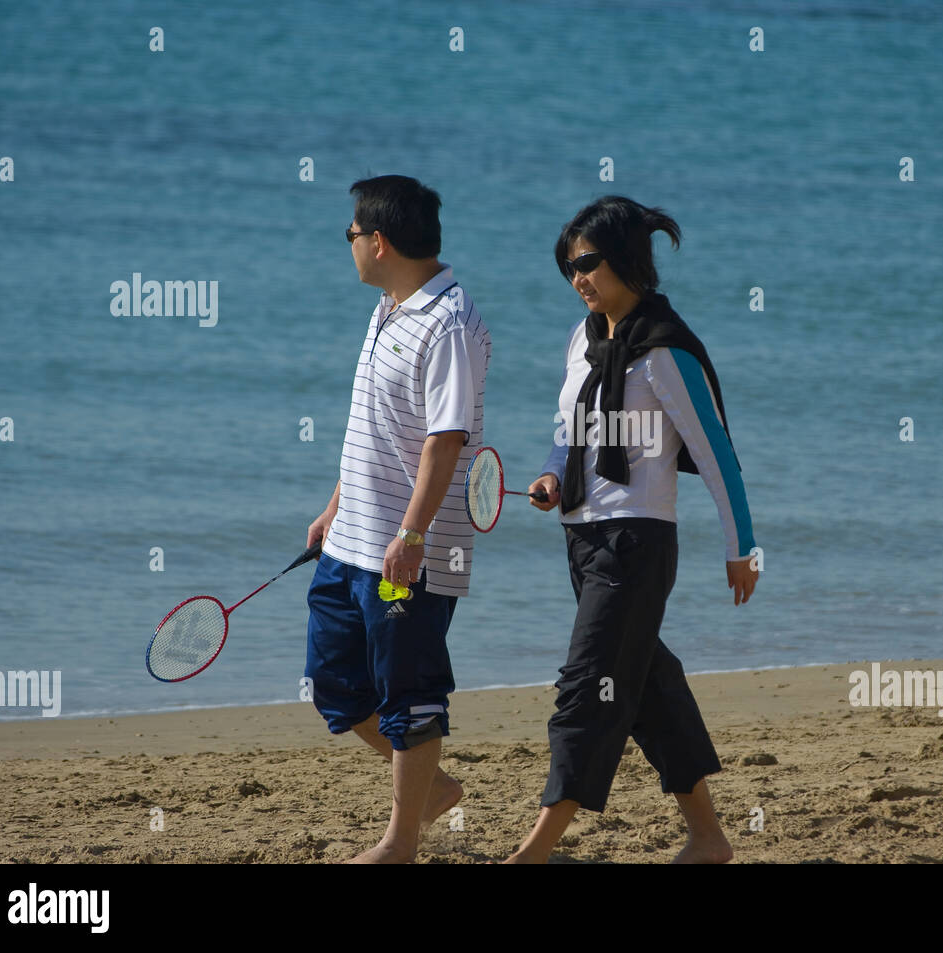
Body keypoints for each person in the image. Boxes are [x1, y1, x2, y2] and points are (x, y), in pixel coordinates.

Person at [505, 196, 758, 864]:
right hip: (582, 540)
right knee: (647, 687)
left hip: (636, 545)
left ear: (625, 258)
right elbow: (569, 435)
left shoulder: (664, 353)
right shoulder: (581, 340)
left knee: (587, 686)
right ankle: (708, 837)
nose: (577, 278)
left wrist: (742, 546)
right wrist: (552, 476)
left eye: (587, 263)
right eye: (568, 268)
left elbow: (717, 454)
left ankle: (533, 852)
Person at [305, 174, 490, 864]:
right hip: (350, 543)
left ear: (378, 242)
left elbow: (446, 441)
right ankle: (431, 786)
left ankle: (400, 841)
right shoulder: (389, 305)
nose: (348, 245)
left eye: (351, 234)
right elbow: (374, 427)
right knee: (333, 681)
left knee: (409, 694)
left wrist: (411, 535)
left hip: (410, 552)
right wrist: (334, 506)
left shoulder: (450, 321)